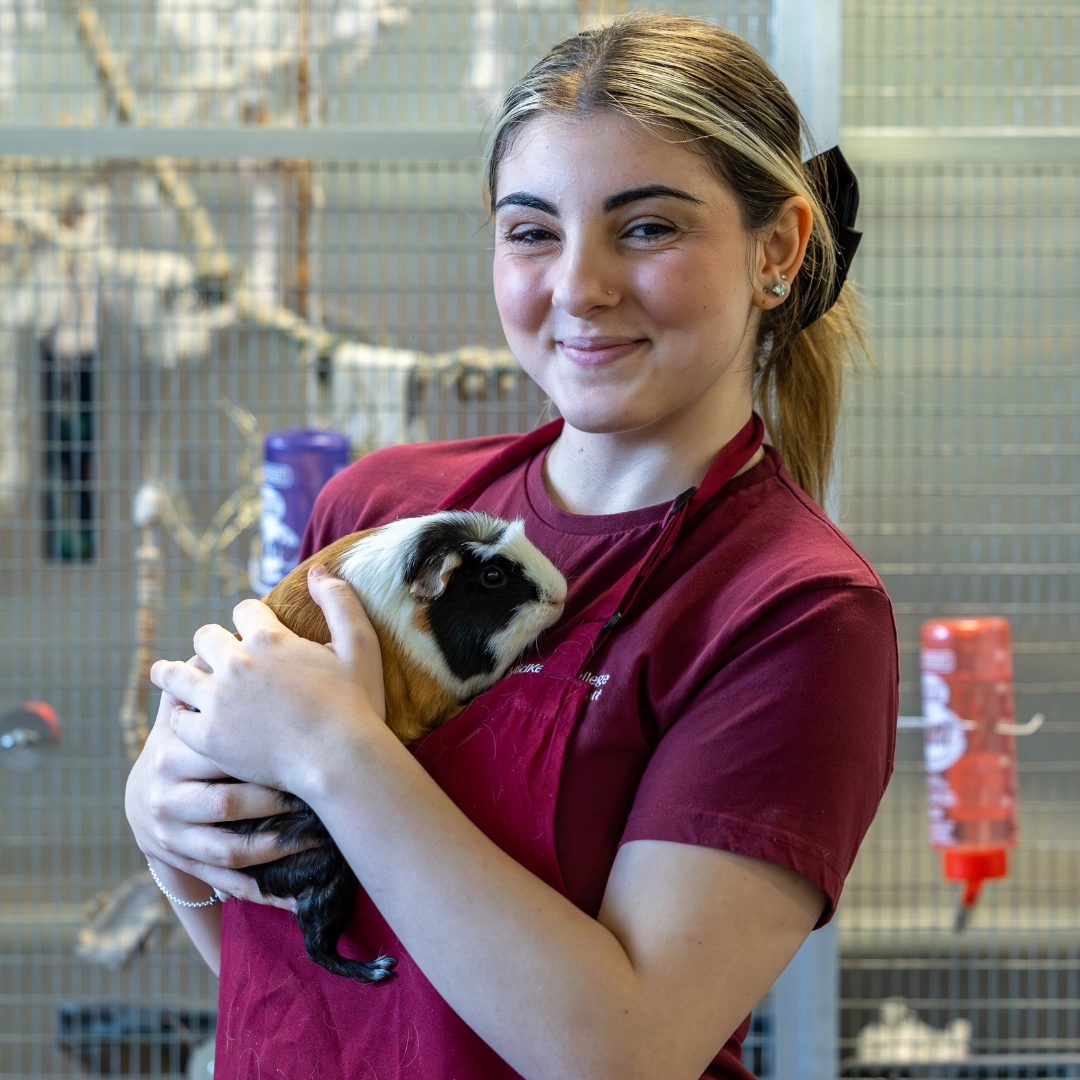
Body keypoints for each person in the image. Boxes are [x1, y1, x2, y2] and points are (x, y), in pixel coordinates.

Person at [125, 13, 897, 1079]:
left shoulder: (792, 610)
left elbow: (623, 1053)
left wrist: (333, 753)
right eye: (532, 230)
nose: (579, 286)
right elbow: (292, 969)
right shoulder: (380, 515)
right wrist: (169, 832)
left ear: (778, 248)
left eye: (647, 228)